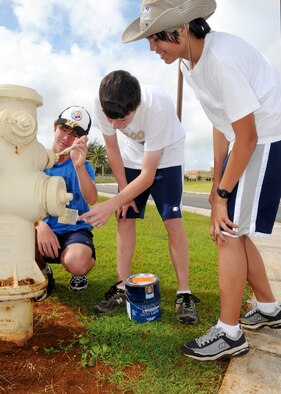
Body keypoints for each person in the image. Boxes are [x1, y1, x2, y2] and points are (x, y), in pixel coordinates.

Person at [121, 0, 281, 361]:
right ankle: (270, 309)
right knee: (232, 231)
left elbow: (249, 135)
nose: (152, 47)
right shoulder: (190, 63)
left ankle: (230, 334)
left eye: (155, 38)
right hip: (246, 140)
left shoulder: (221, 60)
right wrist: (215, 186)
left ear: (179, 30)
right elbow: (221, 123)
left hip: (267, 140)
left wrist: (223, 194)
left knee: (227, 233)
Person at [80, 70, 199, 323]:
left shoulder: (158, 105)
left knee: (173, 222)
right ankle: (122, 287)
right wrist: (124, 196)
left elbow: (148, 174)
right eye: (111, 118)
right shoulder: (102, 103)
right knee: (125, 217)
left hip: (166, 157)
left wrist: (111, 203)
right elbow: (111, 148)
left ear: (137, 105)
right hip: (132, 157)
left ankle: (184, 293)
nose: (115, 124)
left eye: (122, 118)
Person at [35, 105, 97, 299]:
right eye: (63, 129)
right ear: (55, 127)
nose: (66, 138)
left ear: (81, 140)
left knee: (76, 262)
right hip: (44, 231)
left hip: (74, 230)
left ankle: (80, 271)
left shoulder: (83, 165)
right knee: (16, 238)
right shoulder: (37, 163)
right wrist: (39, 226)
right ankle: (43, 272)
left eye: (74, 134)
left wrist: (78, 165)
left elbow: (91, 199)